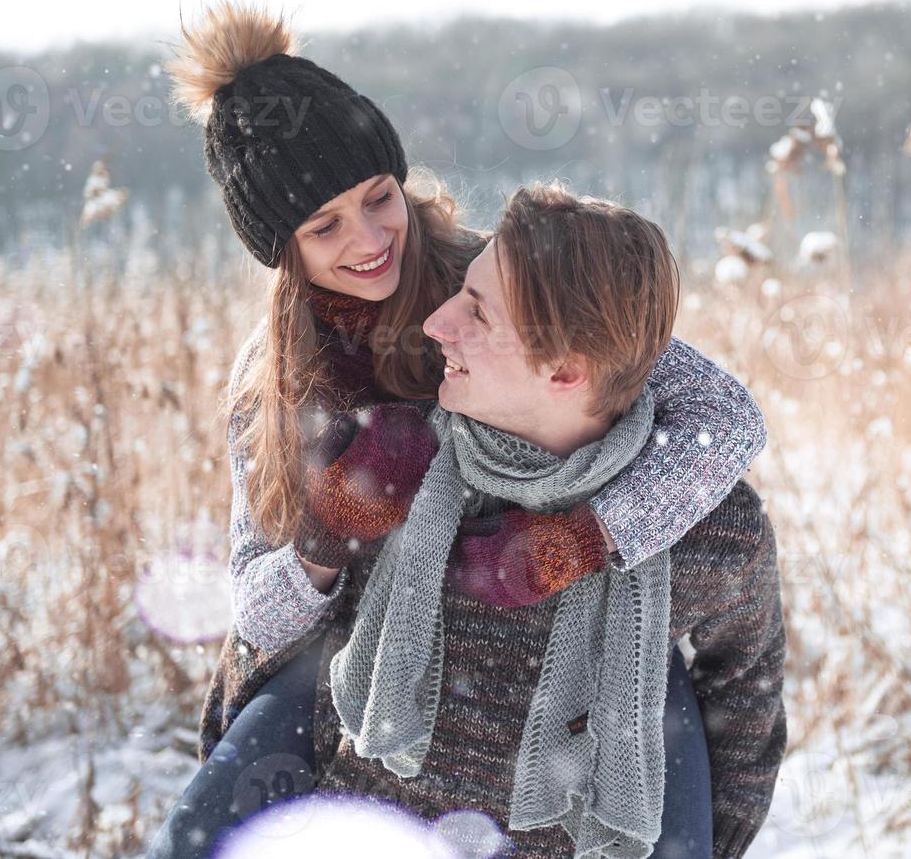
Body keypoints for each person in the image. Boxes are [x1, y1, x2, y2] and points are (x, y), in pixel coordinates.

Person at [145, 0, 769, 858]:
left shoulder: (496, 287)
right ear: (277, 246)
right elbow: (252, 607)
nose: (369, 239)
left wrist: (586, 537)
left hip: (591, 619)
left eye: (379, 197)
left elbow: (724, 416)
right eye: (324, 225)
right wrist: (327, 541)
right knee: (199, 836)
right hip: (358, 646)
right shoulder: (275, 384)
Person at [310, 183, 787, 859]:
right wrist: (334, 518)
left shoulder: (708, 528)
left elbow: (746, 689)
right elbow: (285, 650)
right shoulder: (394, 456)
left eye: (476, 313)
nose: (437, 322)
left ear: (565, 369)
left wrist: (717, 835)